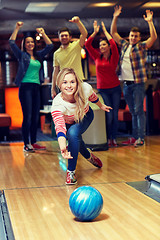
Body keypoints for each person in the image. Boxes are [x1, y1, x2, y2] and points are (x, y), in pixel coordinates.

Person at [51, 68, 112, 184]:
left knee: (73, 133)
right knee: (76, 140)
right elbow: (60, 128)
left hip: (86, 116)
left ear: (77, 83)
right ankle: (89, 156)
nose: (69, 86)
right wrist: (63, 148)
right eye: (65, 82)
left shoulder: (84, 88)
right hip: (69, 122)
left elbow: (93, 97)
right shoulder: (57, 104)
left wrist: (101, 106)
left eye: (72, 82)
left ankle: (71, 172)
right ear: (59, 84)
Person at [110, 6, 157, 147]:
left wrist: (150, 22)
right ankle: (134, 137)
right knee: (133, 111)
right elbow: (113, 33)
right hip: (126, 84)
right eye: (131, 36)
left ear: (139, 38)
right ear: (129, 36)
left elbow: (153, 37)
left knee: (138, 111)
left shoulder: (141, 46)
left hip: (138, 84)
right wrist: (115, 17)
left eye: (135, 36)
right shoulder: (124, 45)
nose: (133, 38)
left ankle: (140, 138)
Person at [9, 22, 53, 152]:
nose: (30, 44)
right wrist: (17, 28)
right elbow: (12, 43)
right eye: (27, 42)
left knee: (35, 117)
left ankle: (33, 142)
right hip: (25, 87)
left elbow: (50, 45)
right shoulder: (22, 55)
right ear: (24, 44)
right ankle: (26, 144)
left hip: (36, 88)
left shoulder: (38, 55)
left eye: (32, 42)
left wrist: (43, 33)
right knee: (27, 117)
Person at [85, 21, 121, 147]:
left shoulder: (114, 56)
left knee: (114, 115)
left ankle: (113, 138)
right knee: (109, 115)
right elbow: (87, 44)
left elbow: (113, 44)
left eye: (104, 45)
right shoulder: (96, 57)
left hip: (115, 89)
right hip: (103, 90)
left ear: (108, 46)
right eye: (100, 45)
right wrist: (94, 32)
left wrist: (105, 31)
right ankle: (106, 138)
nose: (101, 47)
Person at [51, 16, 88, 98]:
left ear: (70, 37)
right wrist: (53, 88)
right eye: (62, 36)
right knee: (68, 107)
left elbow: (84, 34)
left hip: (78, 82)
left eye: (66, 35)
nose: (64, 37)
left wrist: (78, 22)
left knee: (82, 106)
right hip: (64, 84)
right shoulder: (56, 53)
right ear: (59, 38)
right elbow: (55, 71)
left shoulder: (76, 46)